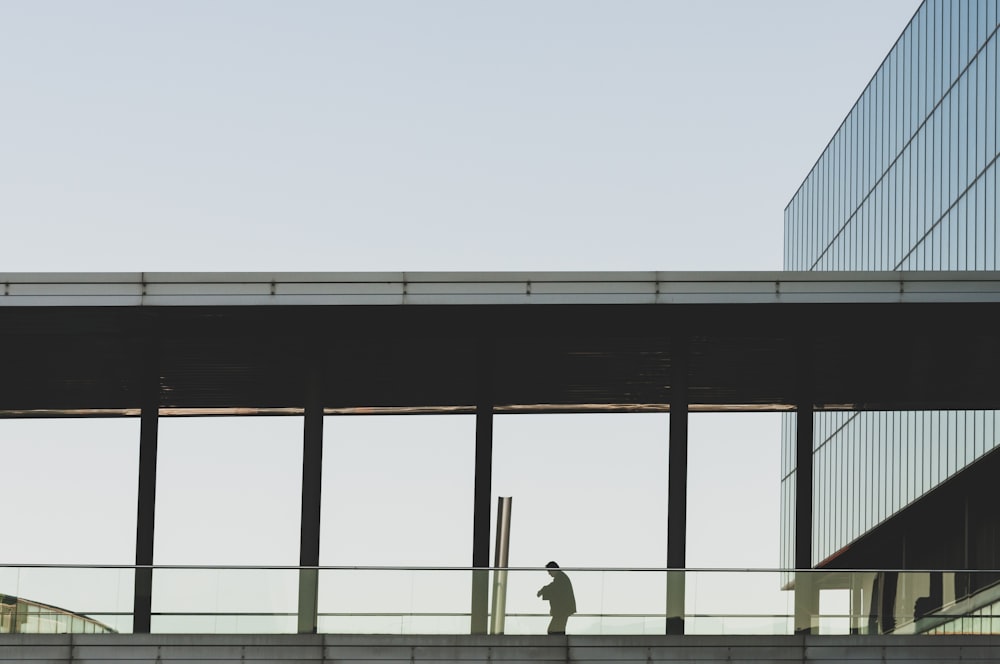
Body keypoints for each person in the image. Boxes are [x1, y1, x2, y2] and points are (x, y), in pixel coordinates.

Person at [536, 561, 576, 635]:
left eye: (549, 571)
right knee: (558, 629)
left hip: (562, 610)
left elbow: (554, 589)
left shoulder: (560, 578)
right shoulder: (561, 577)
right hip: (563, 610)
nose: (549, 573)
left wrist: (542, 591)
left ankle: (558, 645)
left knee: (553, 630)